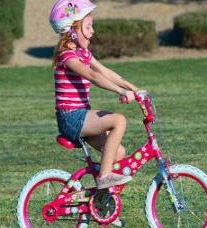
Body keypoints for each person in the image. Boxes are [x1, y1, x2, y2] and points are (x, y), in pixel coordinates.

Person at [49, 0, 141, 190]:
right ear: (72, 30)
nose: (92, 31)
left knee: (118, 152)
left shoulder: (84, 53)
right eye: (88, 27)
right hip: (71, 118)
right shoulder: (68, 56)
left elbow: (105, 72)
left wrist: (133, 88)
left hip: (81, 116)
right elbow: (92, 75)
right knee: (119, 120)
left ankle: (102, 204)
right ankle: (104, 177)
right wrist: (121, 91)